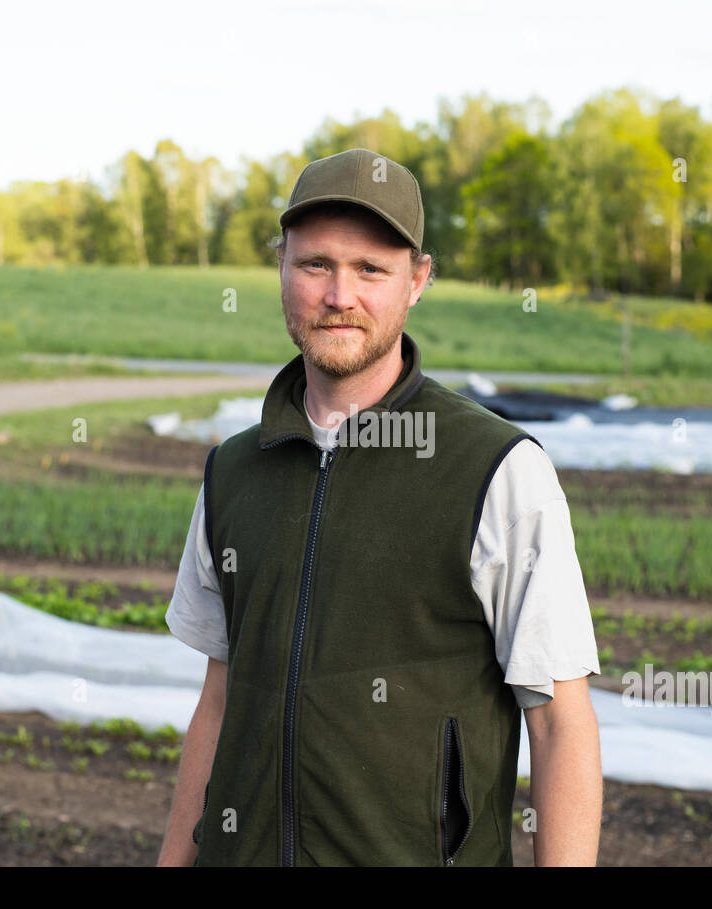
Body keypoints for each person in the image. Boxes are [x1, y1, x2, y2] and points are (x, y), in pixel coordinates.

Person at [156, 148, 601, 866]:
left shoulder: (495, 470)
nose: (340, 295)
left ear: (416, 281)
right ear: (281, 269)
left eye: (371, 269)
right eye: (315, 265)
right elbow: (219, 701)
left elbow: (561, 724)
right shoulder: (233, 471)